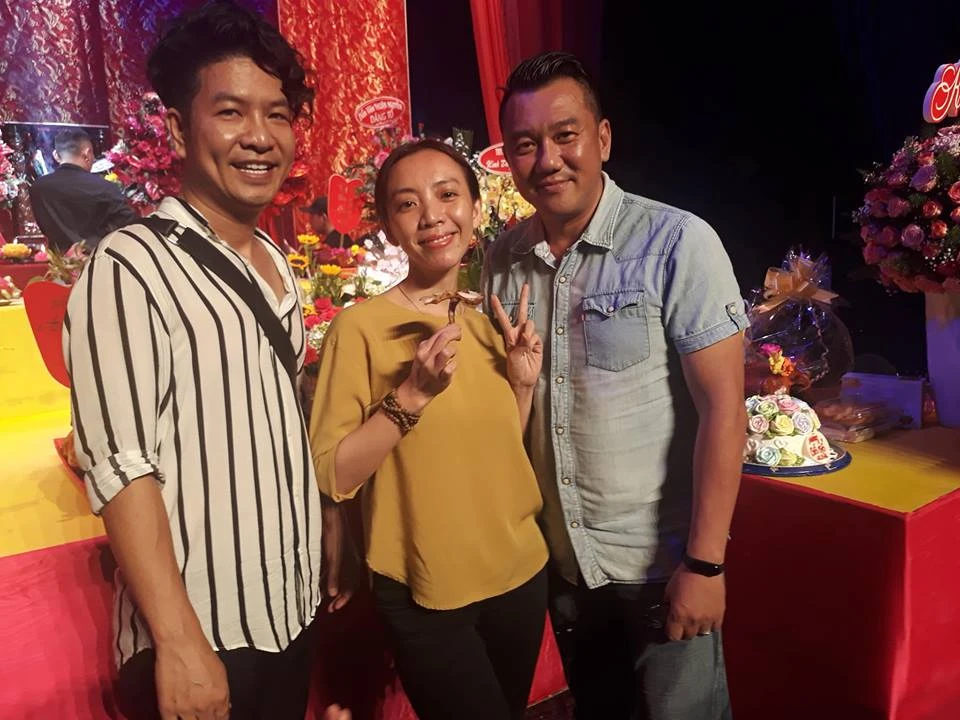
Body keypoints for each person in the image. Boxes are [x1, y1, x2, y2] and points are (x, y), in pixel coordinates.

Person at [63, 3, 351, 719]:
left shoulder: (275, 260)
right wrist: (179, 641)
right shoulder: (130, 267)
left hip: (287, 610)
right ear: (176, 129)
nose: (259, 136)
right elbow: (120, 464)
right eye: (230, 112)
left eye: (277, 115)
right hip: (203, 631)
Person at [484, 51, 749, 720]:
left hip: (659, 567)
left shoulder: (676, 242)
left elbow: (724, 409)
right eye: (525, 144)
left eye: (565, 135)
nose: (547, 159)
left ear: (602, 138)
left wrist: (705, 565)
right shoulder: (503, 259)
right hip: (564, 569)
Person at [309, 138, 549, 720]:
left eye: (447, 195)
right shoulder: (359, 330)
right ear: (390, 228)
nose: (432, 216)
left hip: (519, 572)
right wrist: (411, 396)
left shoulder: (487, 322)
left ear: (475, 208)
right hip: (425, 585)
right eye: (407, 204)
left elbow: (500, 450)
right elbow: (331, 472)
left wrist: (521, 384)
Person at [29, 128, 138, 252]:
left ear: (56, 155)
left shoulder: (39, 188)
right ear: (87, 153)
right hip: (98, 259)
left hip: (58, 261)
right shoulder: (105, 188)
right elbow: (130, 225)